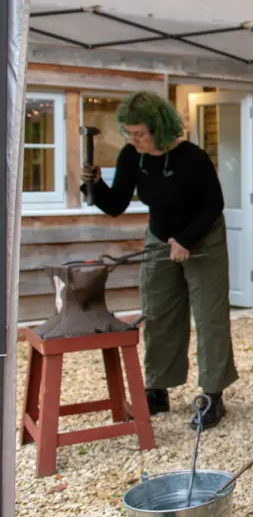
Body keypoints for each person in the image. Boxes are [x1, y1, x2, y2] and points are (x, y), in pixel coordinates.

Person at [81, 91, 237, 429]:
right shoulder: (131, 157)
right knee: (159, 311)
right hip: (159, 237)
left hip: (204, 237)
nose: (133, 139)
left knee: (209, 318)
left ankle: (213, 395)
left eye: (140, 133)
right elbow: (116, 205)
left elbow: (214, 204)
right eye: (128, 133)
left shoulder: (192, 157)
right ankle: (157, 390)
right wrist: (95, 186)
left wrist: (185, 240)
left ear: (160, 129)